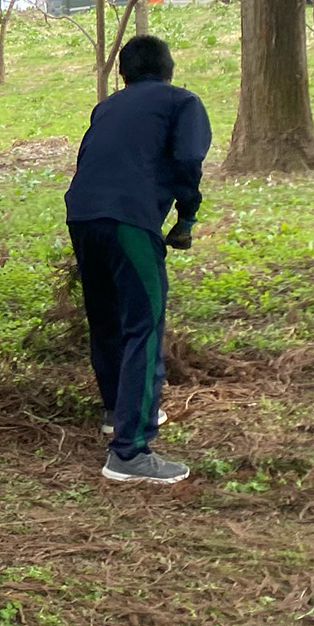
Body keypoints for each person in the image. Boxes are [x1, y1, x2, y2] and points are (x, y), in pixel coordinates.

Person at [64, 34, 210, 487]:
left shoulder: (106, 108)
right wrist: (186, 215)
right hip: (130, 220)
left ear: (123, 74)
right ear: (169, 68)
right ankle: (129, 451)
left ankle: (116, 411)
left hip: (83, 215)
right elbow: (188, 159)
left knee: (106, 319)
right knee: (143, 326)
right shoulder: (182, 103)